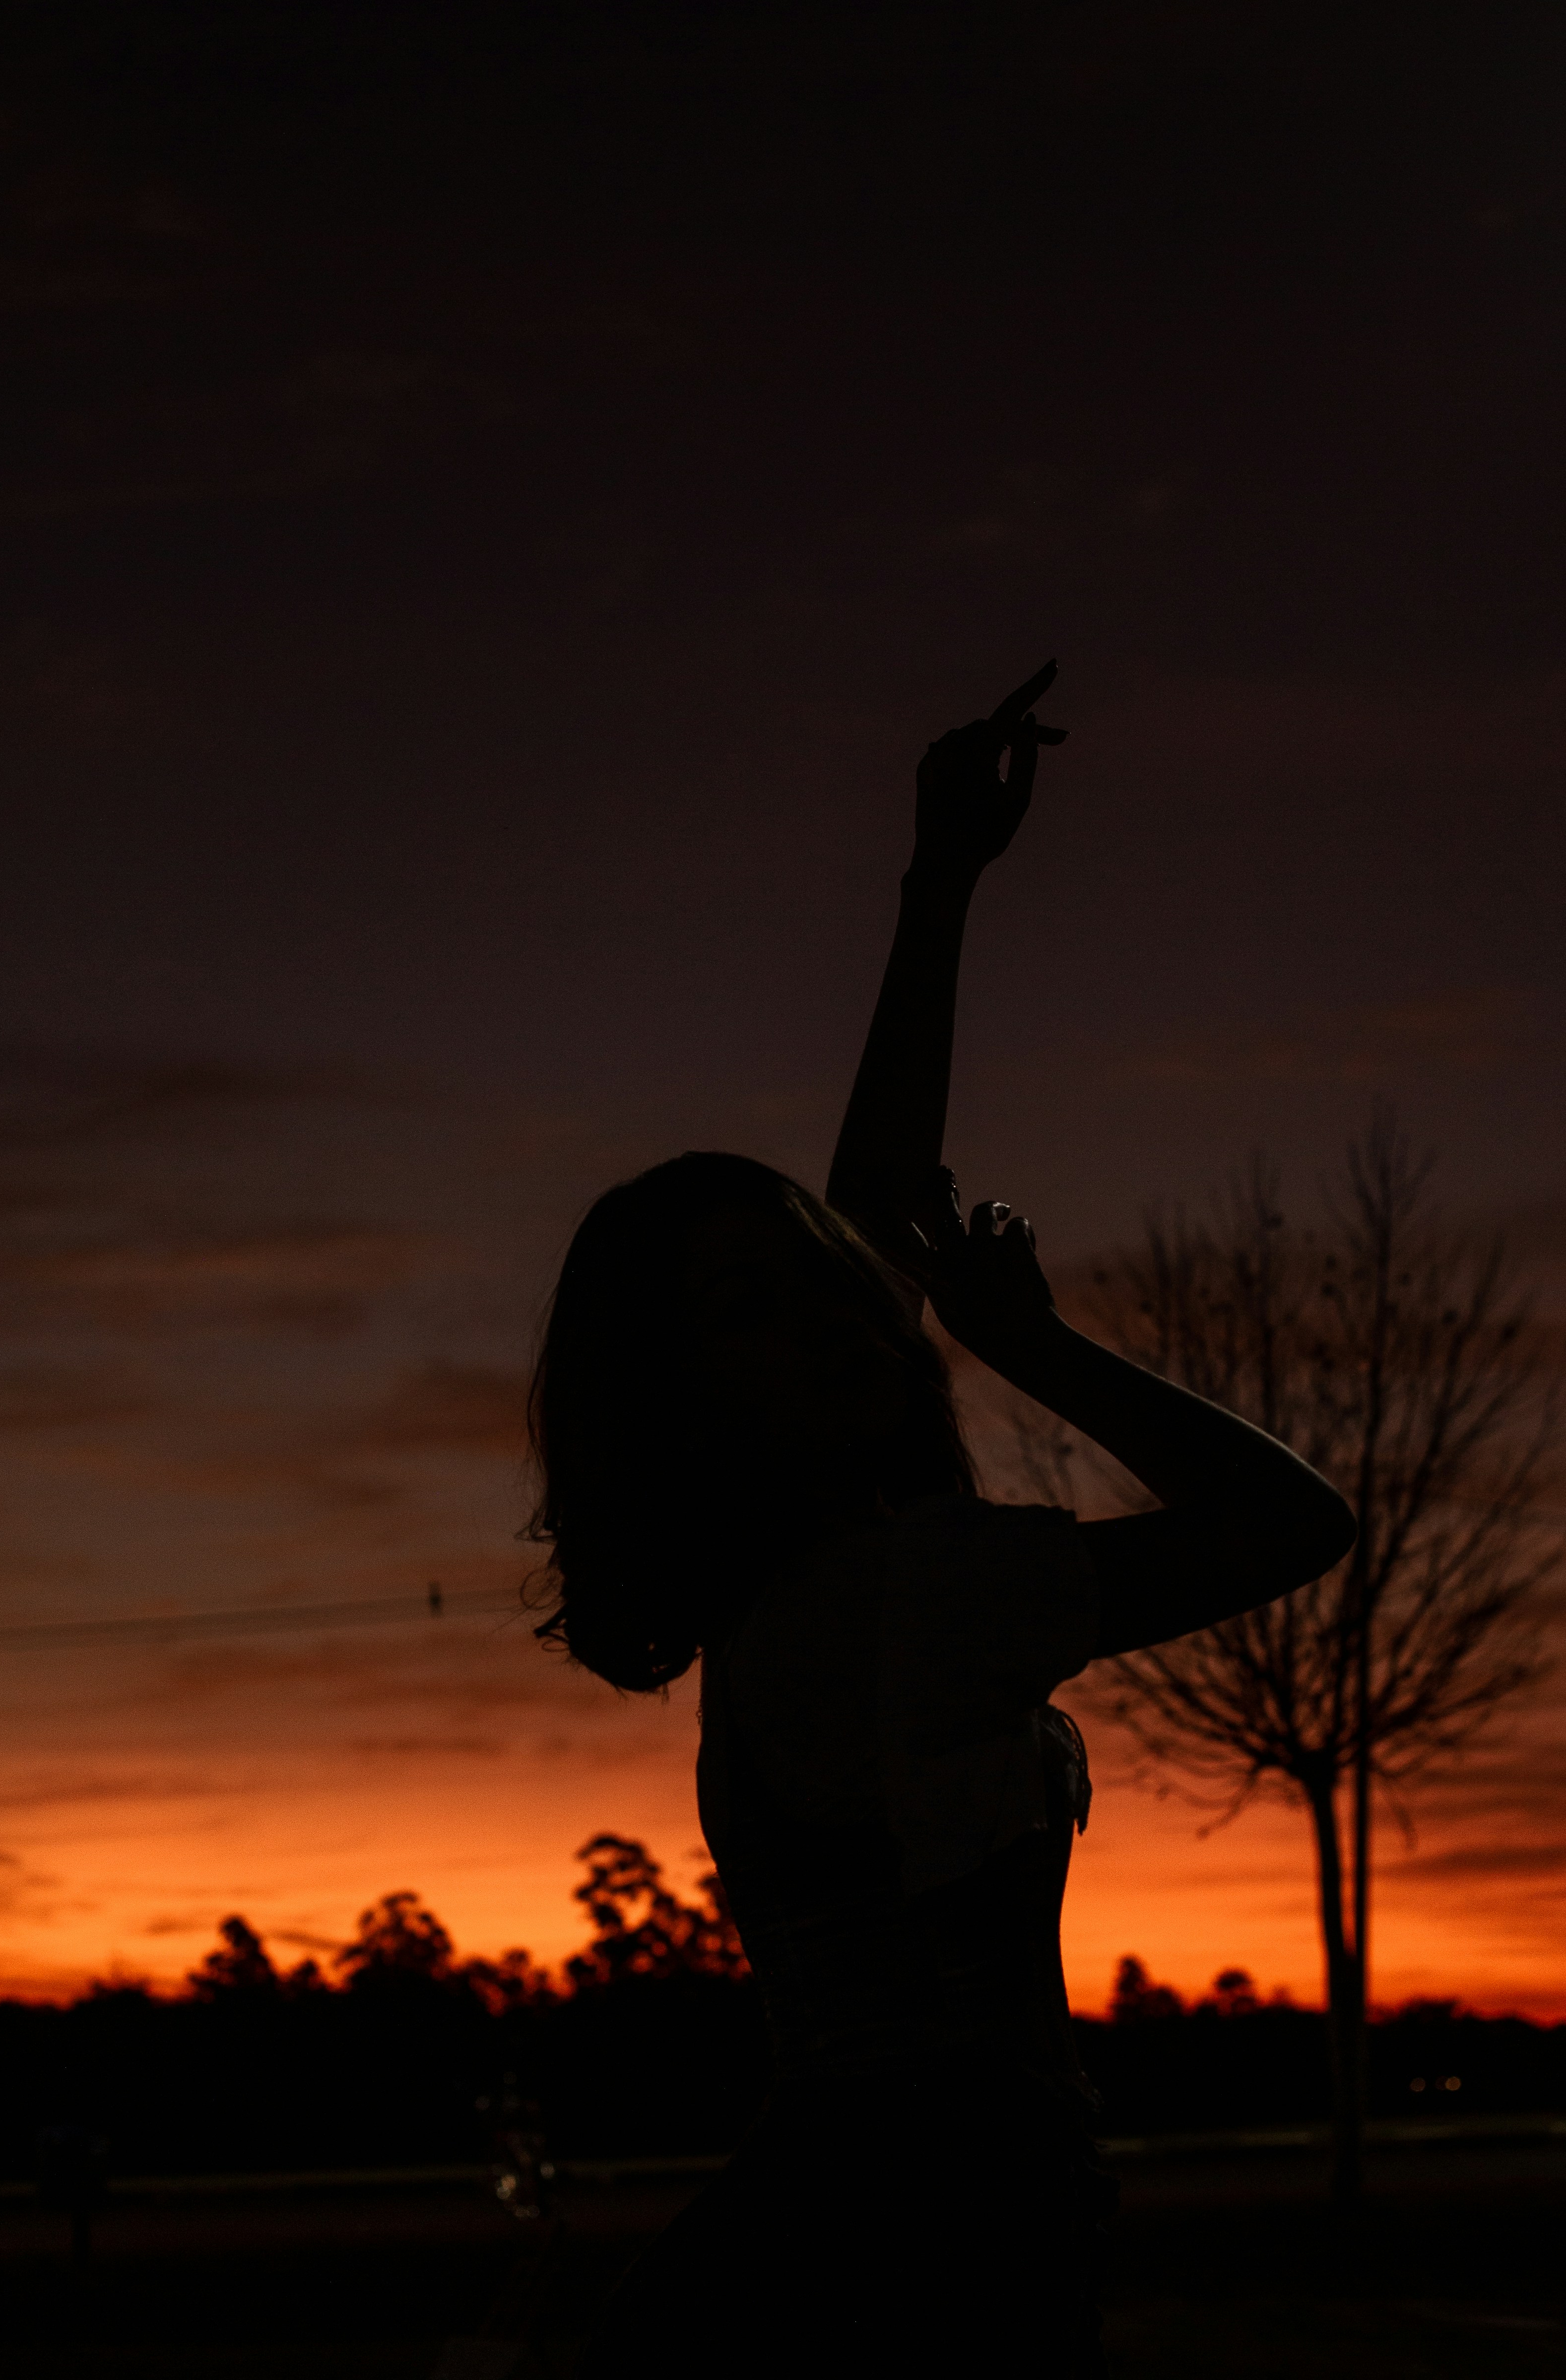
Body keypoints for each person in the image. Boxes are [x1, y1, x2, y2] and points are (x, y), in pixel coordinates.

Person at [530, 661, 1356, 2377]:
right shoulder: (906, 1592)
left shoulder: (794, 1568)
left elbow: (874, 1217)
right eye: (750, 1311)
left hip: (859, 2185)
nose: (835, 1311)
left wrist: (940, 887)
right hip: (938, 2215)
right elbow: (1285, 1522)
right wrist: (1033, 1339)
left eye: (817, 1289)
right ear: (694, 1396)